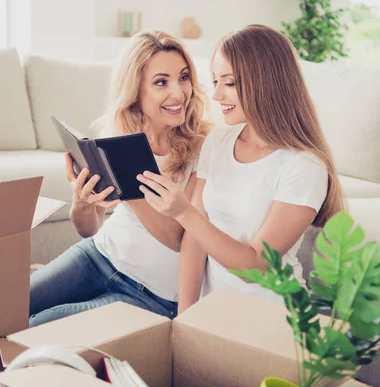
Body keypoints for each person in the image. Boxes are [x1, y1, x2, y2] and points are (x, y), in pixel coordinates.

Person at [137, 24, 345, 313]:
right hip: (212, 311)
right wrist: (185, 318)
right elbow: (194, 242)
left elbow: (255, 266)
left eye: (230, 83)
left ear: (266, 83)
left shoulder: (305, 165)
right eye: (215, 81)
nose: (216, 95)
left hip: (270, 316)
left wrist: (182, 212)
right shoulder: (218, 140)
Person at [29, 30, 211, 327]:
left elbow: (180, 239)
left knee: (33, 326)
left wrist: (130, 183)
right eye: (161, 82)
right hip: (97, 256)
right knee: (4, 310)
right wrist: (82, 201)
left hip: (150, 296)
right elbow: (88, 229)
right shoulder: (116, 135)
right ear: (136, 91)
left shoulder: (204, 146)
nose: (178, 93)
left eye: (184, 77)